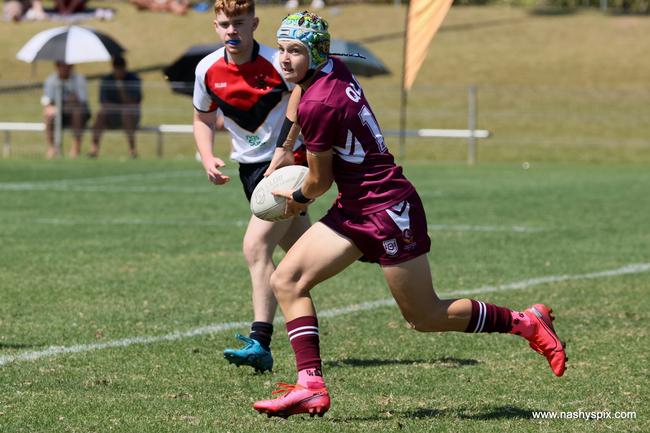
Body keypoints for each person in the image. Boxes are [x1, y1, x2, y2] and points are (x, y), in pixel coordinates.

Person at [252, 11, 568, 418]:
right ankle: (310, 386)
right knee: (288, 280)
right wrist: (283, 146)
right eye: (281, 49)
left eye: (294, 51)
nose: (284, 59)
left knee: (425, 315)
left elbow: (317, 182)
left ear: (315, 53)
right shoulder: (330, 69)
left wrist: (293, 200)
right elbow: (299, 96)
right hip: (355, 207)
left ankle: (526, 322)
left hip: (387, 209)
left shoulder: (321, 104)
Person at [192, 0, 310, 373]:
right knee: (301, 259)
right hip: (248, 170)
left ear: (254, 23)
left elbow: (308, 100)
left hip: (284, 167)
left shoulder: (279, 63)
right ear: (215, 25)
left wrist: (290, 150)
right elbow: (202, 116)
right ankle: (366, 245)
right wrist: (207, 155)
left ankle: (259, 341)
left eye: (239, 23)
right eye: (225, 24)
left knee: (256, 247)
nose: (232, 30)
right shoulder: (207, 69)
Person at [90, 57, 142, 159]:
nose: (119, 71)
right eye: (117, 68)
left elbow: (134, 102)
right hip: (111, 115)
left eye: (121, 68)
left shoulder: (134, 79)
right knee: (100, 114)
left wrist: (121, 88)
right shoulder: (106, 80)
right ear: (113, 68)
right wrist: (121, 107)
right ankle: (94, 148)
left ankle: (132, 150)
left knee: (126, 113)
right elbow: (104, 103)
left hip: (131, 116)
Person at [41, 61, 90, 159]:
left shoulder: (79, 80)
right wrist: (50, 107)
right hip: (59, 111)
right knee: (48, 115)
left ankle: (75, 148)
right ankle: (52, 147)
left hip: (76, 110)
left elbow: (82, 100)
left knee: (78, 113)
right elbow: (46, 100)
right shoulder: (51, 80)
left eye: (67, 66)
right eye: (62, 66)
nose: (65, 68)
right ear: (57, 66)